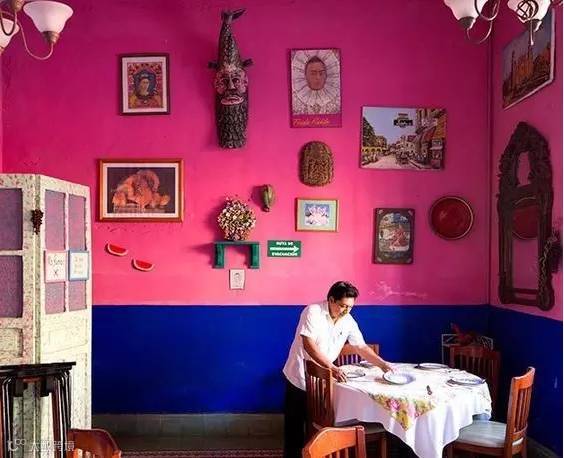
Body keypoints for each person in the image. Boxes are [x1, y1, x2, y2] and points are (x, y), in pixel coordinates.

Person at [282, 281, 394, 458]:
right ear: (331, 300)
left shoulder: (348, 320)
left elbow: (361, 347)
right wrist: (332, 367)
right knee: (294, 430)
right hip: (299, 377)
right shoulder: (313, 311)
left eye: (350, 307)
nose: (346, 311)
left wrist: (382, 364)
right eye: (342, 305)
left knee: (319, 428)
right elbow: (308, 344)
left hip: (323, 381)